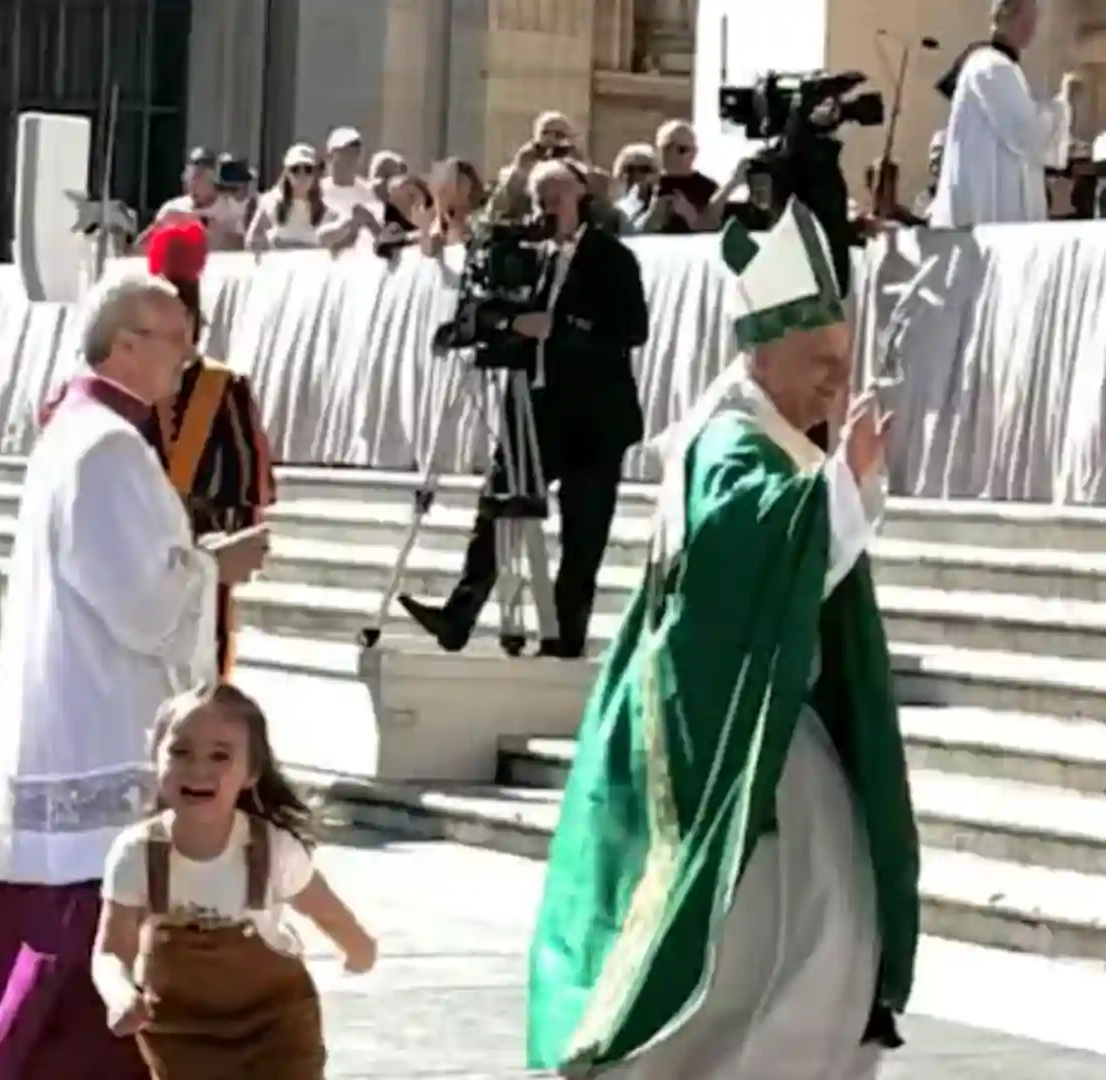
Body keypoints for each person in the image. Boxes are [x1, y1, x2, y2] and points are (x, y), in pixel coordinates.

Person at [525, 199, 919, 1080]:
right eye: (821, 363)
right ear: (761, 351)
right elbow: (741, 546)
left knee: (820, 931)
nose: (834, 383)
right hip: (722, 727)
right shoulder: (733, 439)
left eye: (843, 364)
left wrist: (840, 489)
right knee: (787, 937)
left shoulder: (771, 434)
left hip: (765, 711)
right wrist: (836, 495)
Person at [0, 274, 270, 1080]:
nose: (187, 357)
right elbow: (140, 603)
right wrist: (213, 567)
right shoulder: (108, 447)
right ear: (124, 344)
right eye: (172, 339)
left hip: (81, 714)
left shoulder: (81, 434)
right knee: (84, 987)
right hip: (104, 724)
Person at [399, 161, 647, 659]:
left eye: (554, 199)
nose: (545, 211)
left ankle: (563, 640)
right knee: (496, 505)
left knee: (582, 537)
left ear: (578, 198)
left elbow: (630, 329)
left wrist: (561, 328)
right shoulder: (530, 257)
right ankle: (459, 614)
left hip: (594, 418)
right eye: (538, 201)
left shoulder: (611, 257)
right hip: (534, 405)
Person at [93, 683, 376, 1080]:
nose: (199, 768)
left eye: (220, 755)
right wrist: (119, 993)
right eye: (180, 752)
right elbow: (110, 949)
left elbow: (323, 907)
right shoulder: (137, 852)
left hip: (275, 1024)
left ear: (250, 773)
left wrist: (359, 947)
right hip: (182, 1030)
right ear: (155, 758)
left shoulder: (271, 848)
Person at [140, 220, 276, 675]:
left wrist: (214, 528)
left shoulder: (224, 388)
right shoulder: (130, 391)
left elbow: (248, 483)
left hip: (202, 555)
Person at [931, 0, 1078, 228]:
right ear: (1004, 18)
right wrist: (1064, 102)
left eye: (1034, 21)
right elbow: (1027, 133)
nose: (1032, 29)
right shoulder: (991, 66)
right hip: (989, 209)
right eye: (1026, 21)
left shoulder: (999, 66)